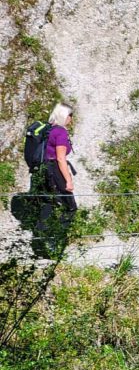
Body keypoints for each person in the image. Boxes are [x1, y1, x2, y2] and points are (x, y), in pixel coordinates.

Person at [33, 103, 77, 256]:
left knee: (49, 203)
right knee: (70, 207)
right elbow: (60, 158)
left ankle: (39, 241)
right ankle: (55, 242)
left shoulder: (48, 129)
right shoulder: (60, 132)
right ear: (65, 116)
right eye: (70, 115)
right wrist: (68, 180)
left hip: (44, 170)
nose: (71, 119)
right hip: (55, 170)